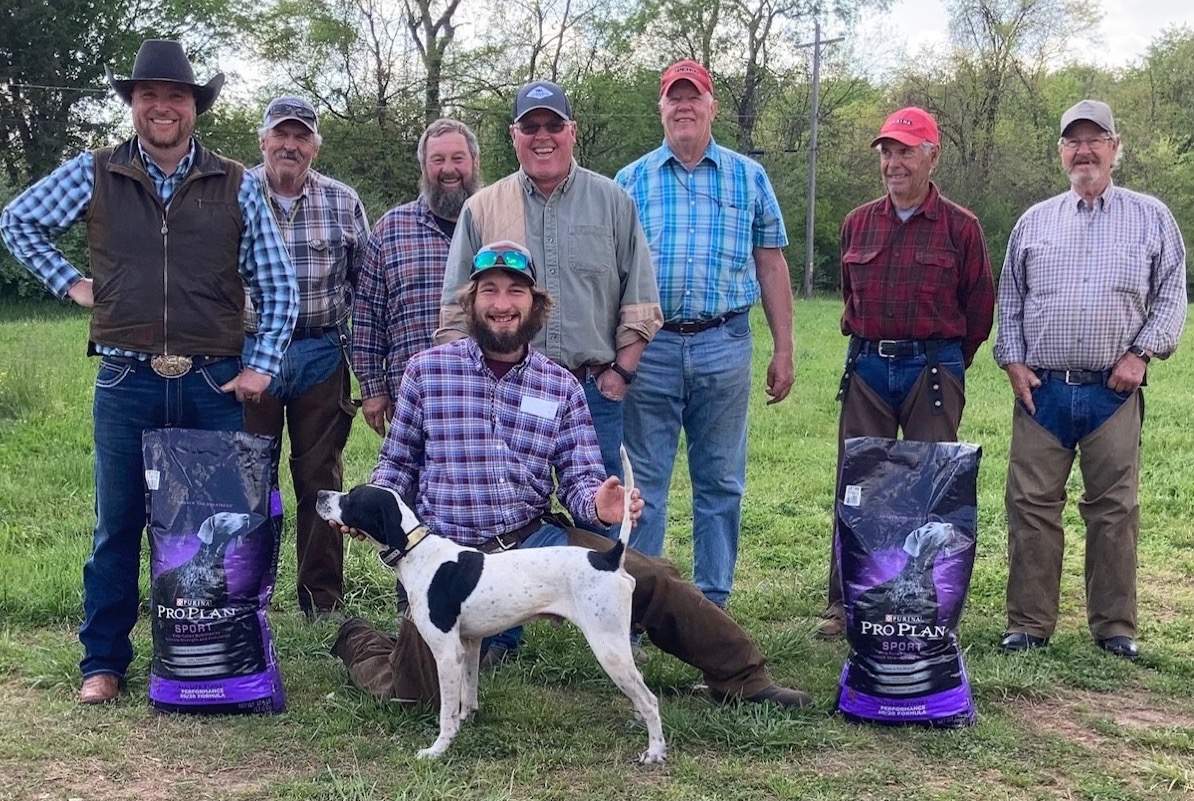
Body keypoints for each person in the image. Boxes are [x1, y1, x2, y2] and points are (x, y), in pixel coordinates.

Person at [332, 242, 812, 708]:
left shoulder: (559, 384)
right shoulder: (426, 372)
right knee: (415, 695)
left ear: (535, 305)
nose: (502, 304)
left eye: (516, 292)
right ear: (470, 302)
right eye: (489, 291)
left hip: (533, 542)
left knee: (649, 577)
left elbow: (581, 478)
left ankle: (744, 678)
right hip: (452, 557)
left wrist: (599, 503)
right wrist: (372, 511)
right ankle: (359, 640)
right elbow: (395, 467)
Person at [0, 39, 297, 704]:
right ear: (133, 104)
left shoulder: (235, 182)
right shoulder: (95, 172)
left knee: (216, 527)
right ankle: (102, 661)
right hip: (124, 380)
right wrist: (70, 282)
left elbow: (278, 286)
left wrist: (261, 367)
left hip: (212, 381)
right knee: (118, 523)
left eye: (176, 96)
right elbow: (16, 222)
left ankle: (211, 657)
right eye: (149, 95)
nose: (162, 106)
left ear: (195, 108)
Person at [994, 99, 1186, 661]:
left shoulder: (1151, 217)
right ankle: (1028, 623)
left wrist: (1142, 353)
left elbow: (1173, 292)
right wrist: (1013, 360)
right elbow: (1010, 296)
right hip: (1043, 389)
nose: (1084, 150)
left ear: (1115, 147)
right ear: (1061, 153)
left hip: (1113, 389)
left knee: (1114, 509)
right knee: (1030, 505)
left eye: (1095, 139)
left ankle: (1114, 627)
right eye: (1072, 141)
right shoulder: (1035, 221)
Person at [615, 60, 794, 608]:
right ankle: (643, 606)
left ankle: (712, 602)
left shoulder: (748, 177)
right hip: (653, 346)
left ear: (712, 106)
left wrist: (784, 347)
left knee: (720, 481)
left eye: (694, 98)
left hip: (725, 343)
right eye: (675, 98)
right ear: (661, 108)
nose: (684, 107)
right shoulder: (631, 180)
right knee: (644, 483)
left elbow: (771, 264)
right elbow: (612, 270)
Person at [815, 107, 995, 639]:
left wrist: (945, 358)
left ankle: (927, 604)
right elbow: (850, 298)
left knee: (931, 489)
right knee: (858, 488)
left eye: (906, 152)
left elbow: (979, 309)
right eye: (887, 152)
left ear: (932, 156)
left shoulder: (962, 228)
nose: (894, 163)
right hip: (868, 364)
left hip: (934, 367)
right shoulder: (857, 221)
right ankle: (845, 602)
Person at [435, 80, 662, 482]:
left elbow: (641, 300)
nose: (543, 137)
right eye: (530, 127)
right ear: (514, 136)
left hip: (594, 392)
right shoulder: (481, 209)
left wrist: (619, 377)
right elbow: (456, 314)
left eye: (553, 126)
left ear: (571, 131)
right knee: (507, 516)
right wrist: (471, 392)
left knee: (600, 516)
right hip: (507, 393)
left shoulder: (613, 201)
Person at [243, 96, 370, 619]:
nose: (290, 145)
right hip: (251, 352)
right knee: (248, 475)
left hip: (321, 350)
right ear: (263, 140)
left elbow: (365, 285)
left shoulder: (342, 201)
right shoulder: (232, 194)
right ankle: (245, 595)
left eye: (301, 136)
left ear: (315, 145)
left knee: (321, 479)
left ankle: (322, 600)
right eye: (281, 134)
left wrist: (367, 366)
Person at [352, 118, 482, 437]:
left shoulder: (497, 220)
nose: (448, 169)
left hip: (491, 393)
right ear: (423, 166)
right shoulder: (390, 230)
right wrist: (372, 388)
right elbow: (368, 315)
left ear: (475, 162)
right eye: (437, 160)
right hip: (413, 395)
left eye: (458, 158)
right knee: (413, 484)